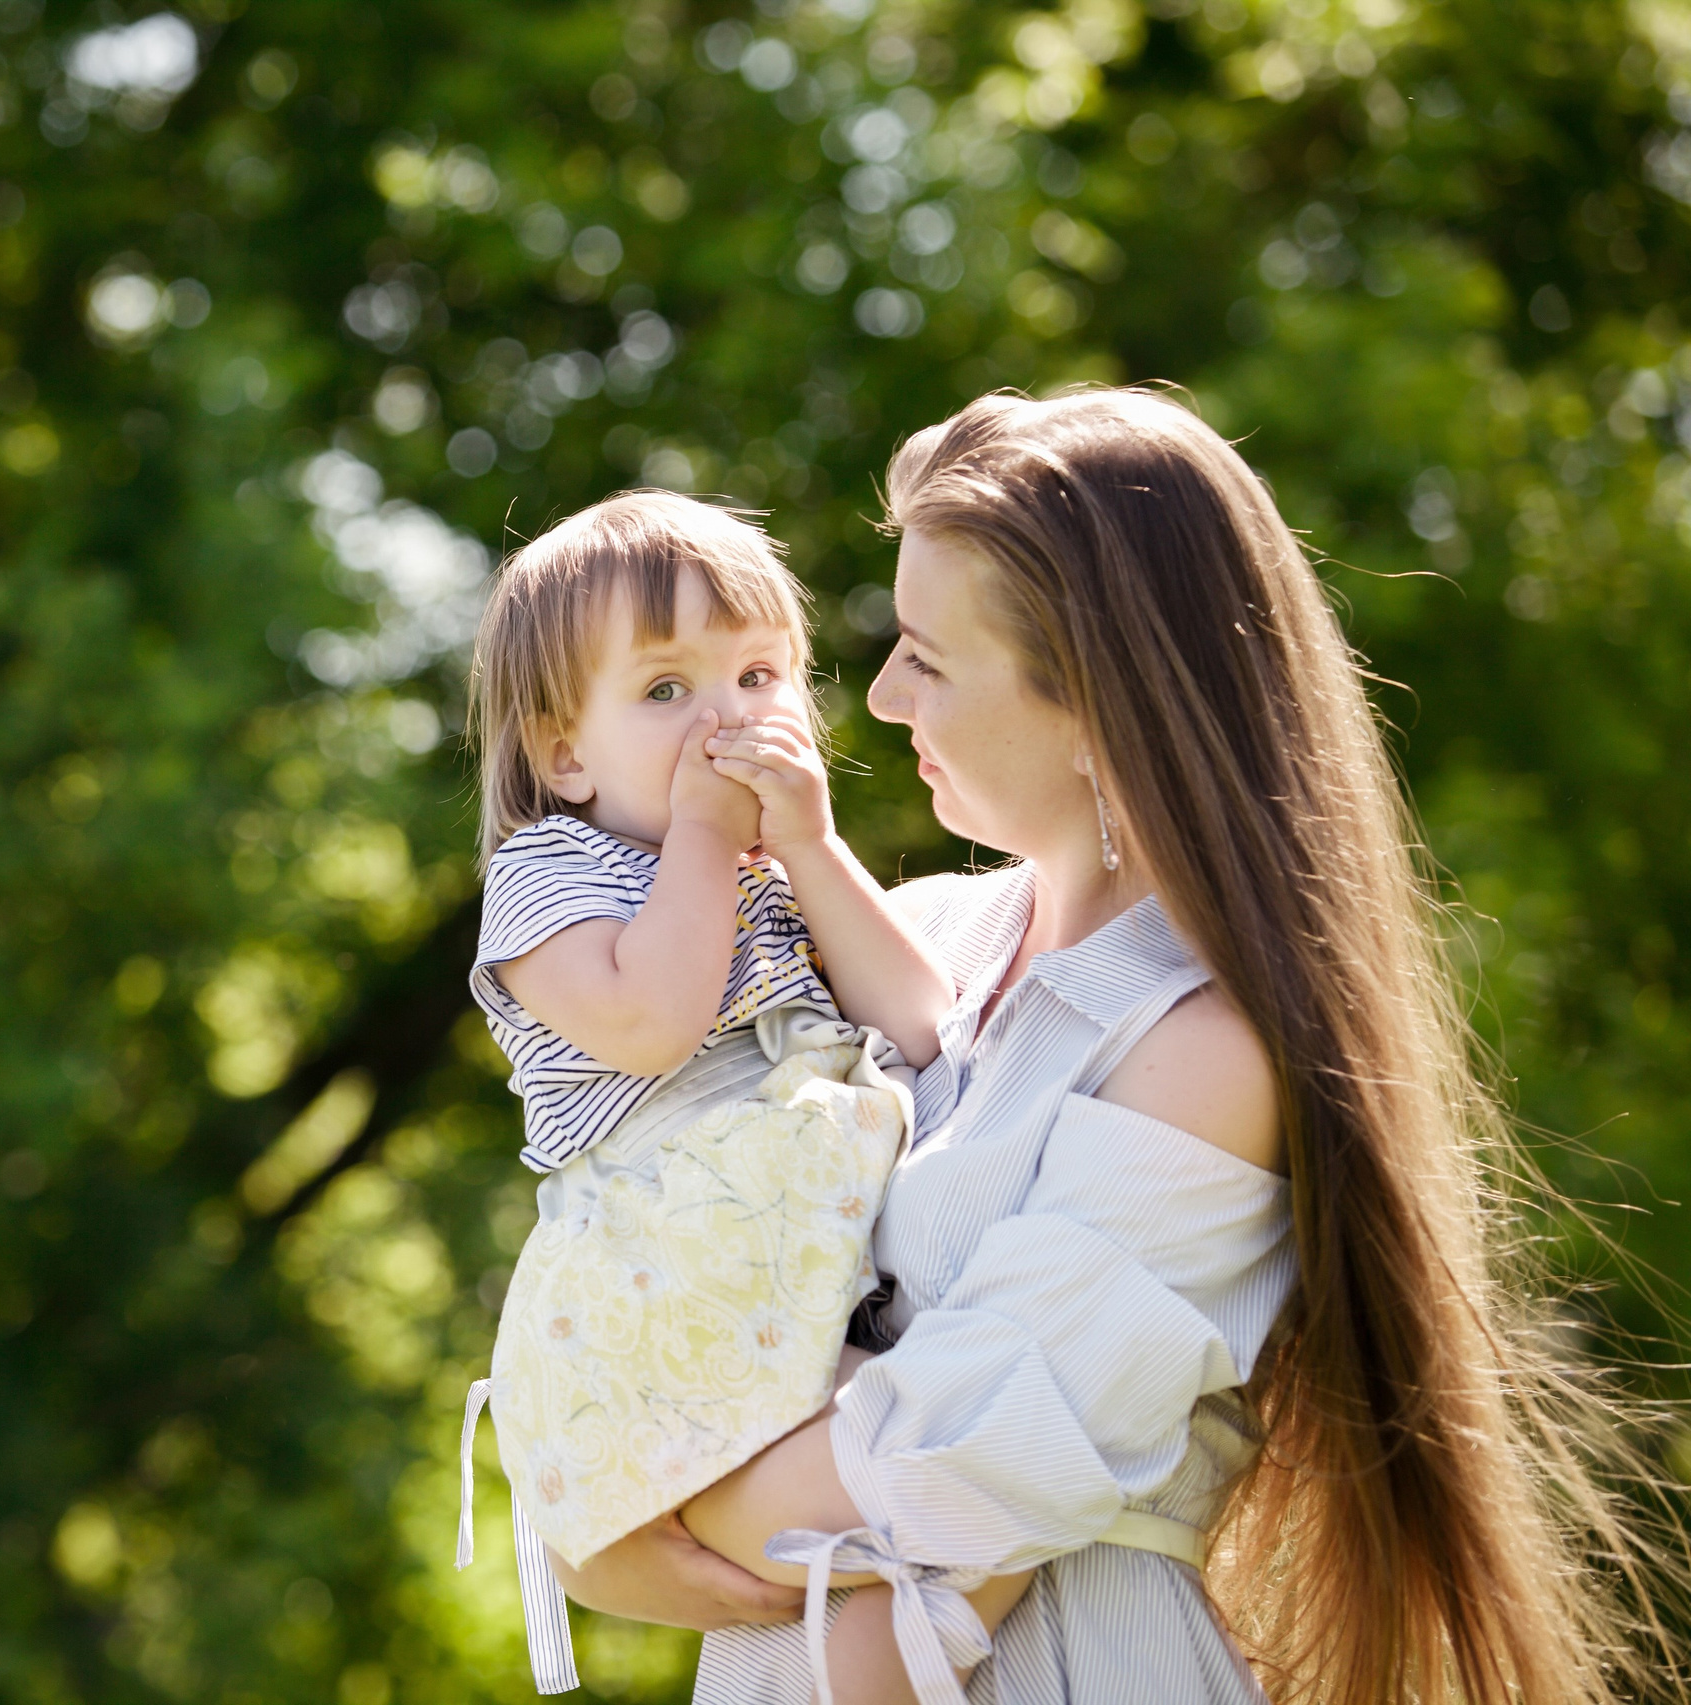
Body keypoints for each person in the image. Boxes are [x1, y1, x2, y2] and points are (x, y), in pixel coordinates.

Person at [551, 388, 1666, 1705]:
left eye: (931, 656)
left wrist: (629, 1492)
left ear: (1095, 708)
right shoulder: (901, 940)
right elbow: (629, 1253)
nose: (889, 695)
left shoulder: (1201, 1051)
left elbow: (949, 1473)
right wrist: (602, 1510)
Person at [456, 491, 965, 1693]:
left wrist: (813, 847)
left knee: (931, 1480)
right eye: (665, 691)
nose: (724, 719)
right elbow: (649, 1023)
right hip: (668, 1275)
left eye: (757, 675)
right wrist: (701, 840)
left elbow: (922, 1026)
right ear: (564, 751)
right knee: (914, 1486)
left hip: (808, 1277)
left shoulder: (772, 875)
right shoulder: (547, 877)